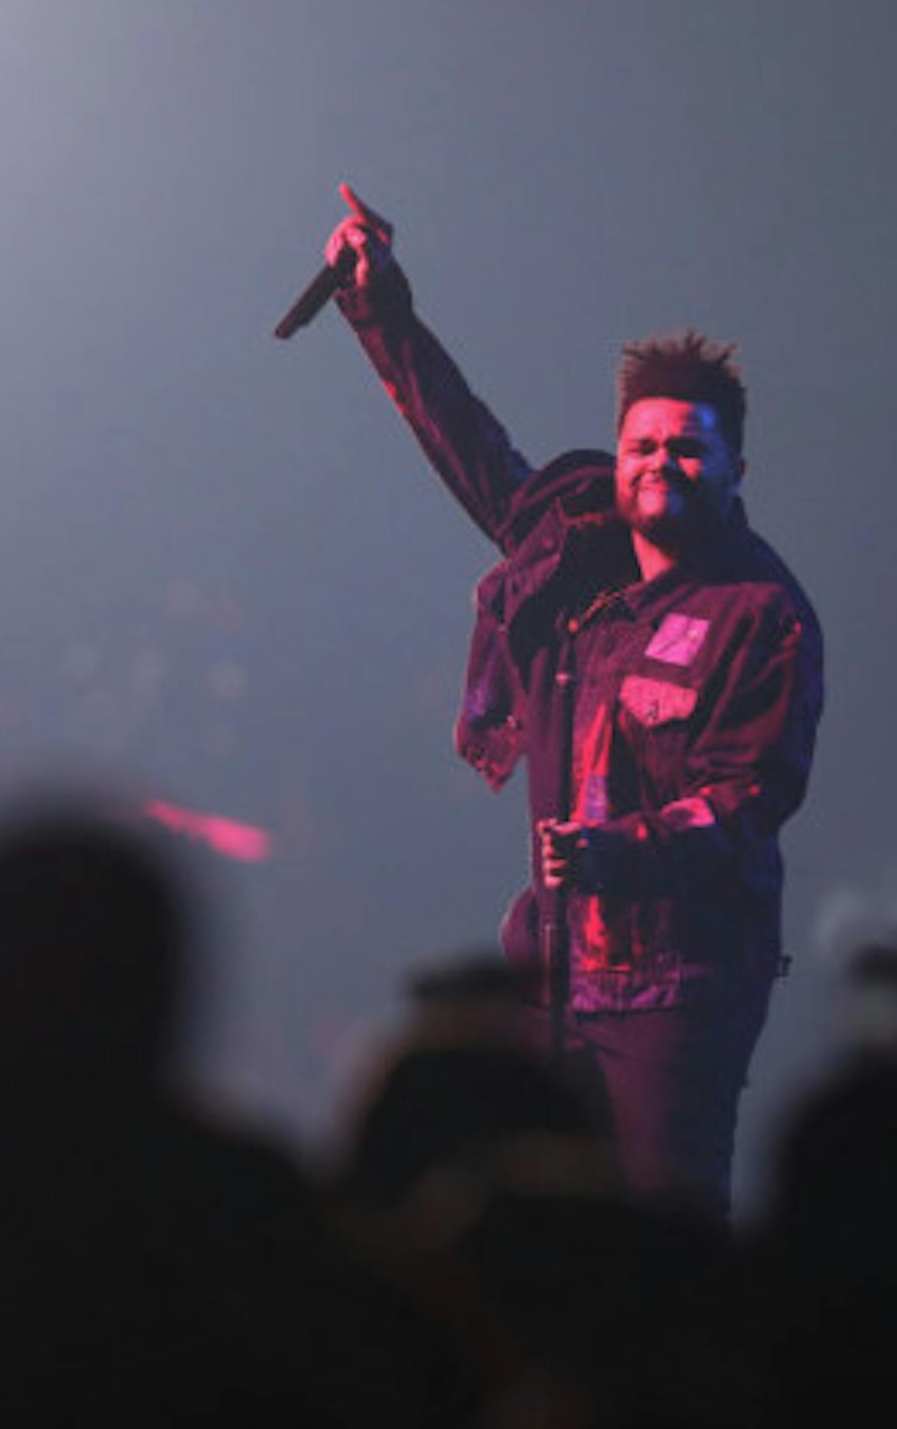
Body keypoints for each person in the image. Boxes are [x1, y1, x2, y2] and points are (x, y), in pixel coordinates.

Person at [323, 185, 824, 1216]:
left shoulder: (761, 613)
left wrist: (622, 849)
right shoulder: (575, 556)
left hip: (680, 991)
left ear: (736, 468)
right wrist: (384, 312)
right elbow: (471, 450)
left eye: (689, 448)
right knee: (531, 1215)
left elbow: (751, 798)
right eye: (643, 445)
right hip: (554, 973)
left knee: (658, 1230)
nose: (659, 467)